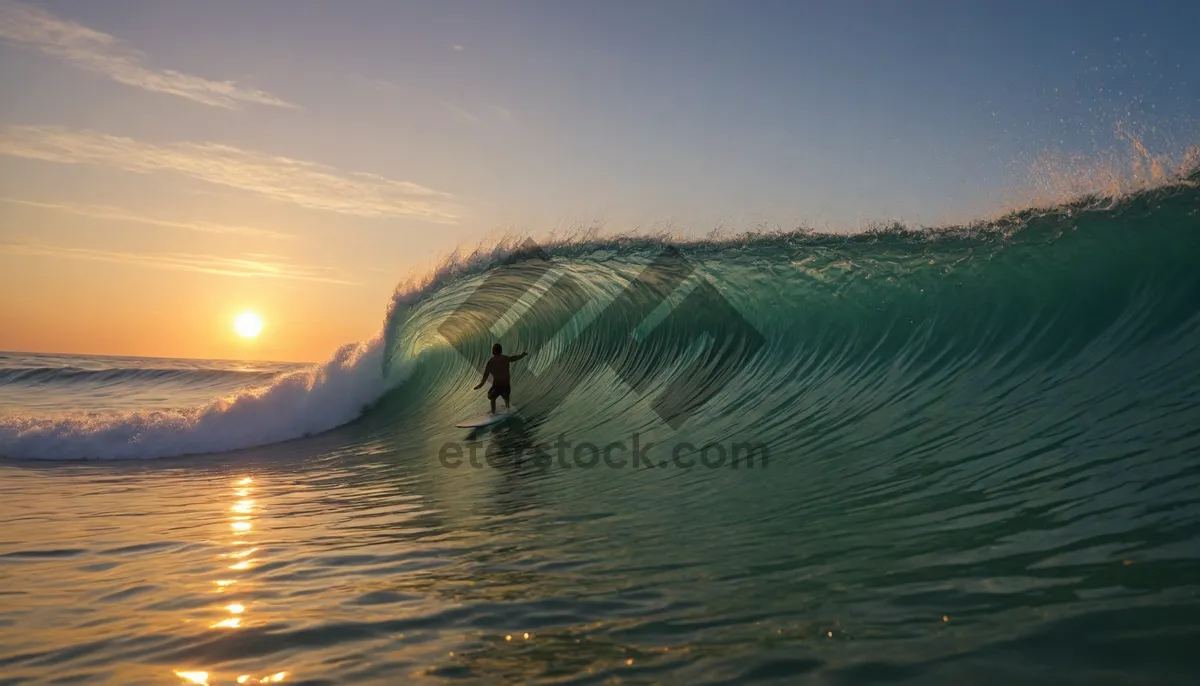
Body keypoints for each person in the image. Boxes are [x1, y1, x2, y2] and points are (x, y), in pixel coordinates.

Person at [474, 343, 528, 414]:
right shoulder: (506, 358)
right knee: (506, 396)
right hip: (506, 384)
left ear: (494, 351)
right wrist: (522, 355)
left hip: (497, 386)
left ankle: (493, 412)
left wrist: (479, 386)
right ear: (501, 350)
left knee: (492, 397)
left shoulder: (490, 362)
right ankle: (508, 408)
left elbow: (485, 377)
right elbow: (515, 358)